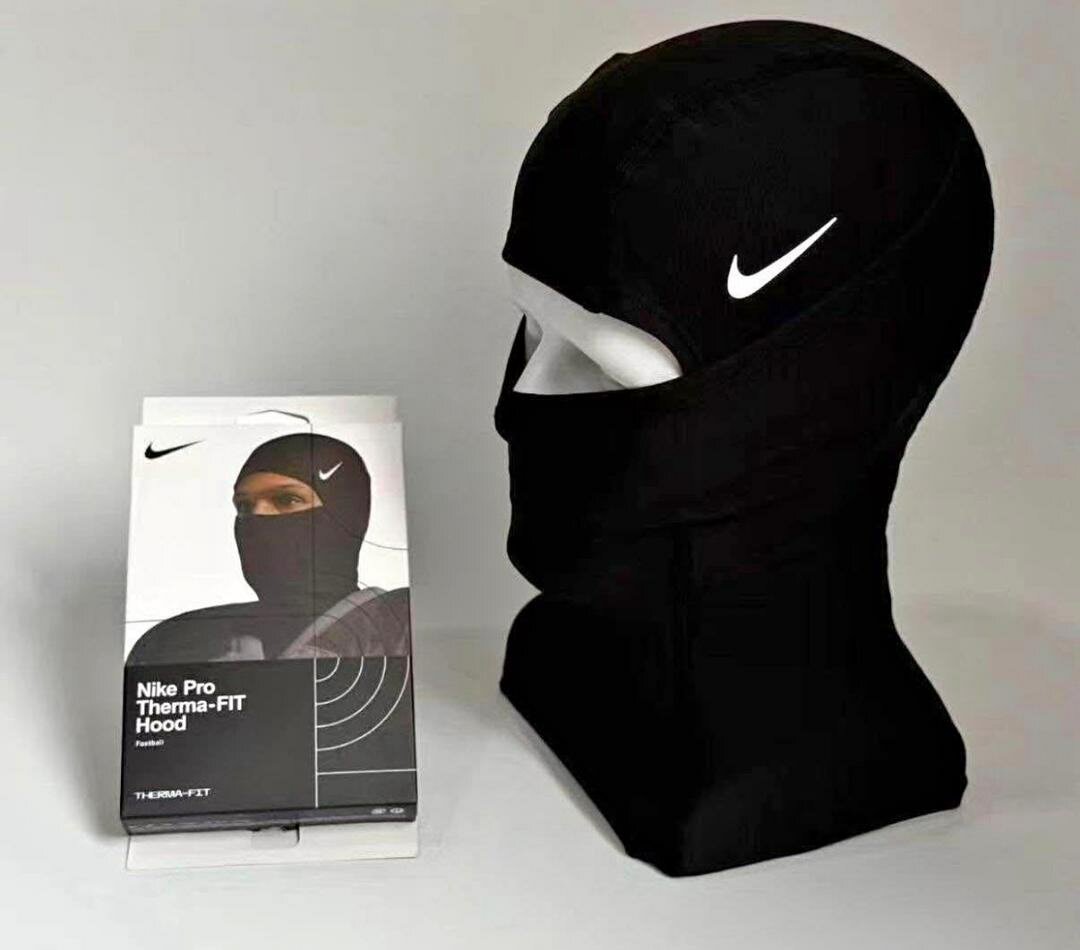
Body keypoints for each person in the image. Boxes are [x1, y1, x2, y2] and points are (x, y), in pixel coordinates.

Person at [127, 433, 410, 664]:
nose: (257, 518)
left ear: (346, 515)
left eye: (287, 500)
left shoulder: (402, 627)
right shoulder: (175, 642)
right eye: (244, 506)